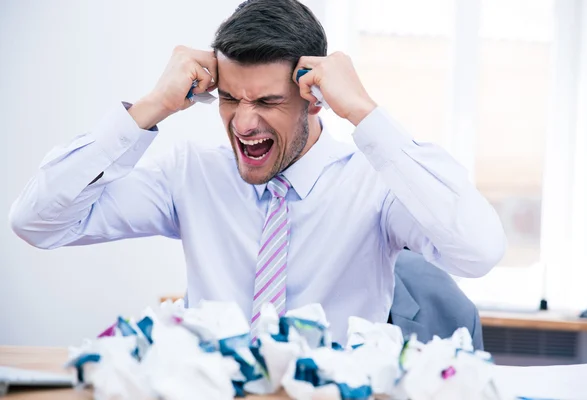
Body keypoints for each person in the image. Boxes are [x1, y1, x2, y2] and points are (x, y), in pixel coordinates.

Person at [9, 0, 505, 341]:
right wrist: (152, 106)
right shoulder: (191, 175)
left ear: (315, 99)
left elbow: (479, 250)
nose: (243, 123)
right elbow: (37, 222)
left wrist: (365, 113)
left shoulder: (374, 187)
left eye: (268, 101)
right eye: (229, 98)